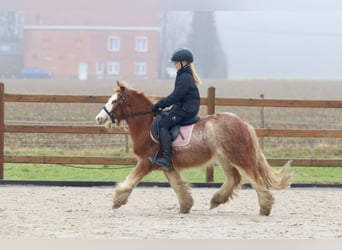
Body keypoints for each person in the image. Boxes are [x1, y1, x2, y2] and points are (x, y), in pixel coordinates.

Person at [149, 48, 201, 171]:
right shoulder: (183, 75)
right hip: (183, 107)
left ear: (184, 63)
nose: (175, 65)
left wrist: (159, 104)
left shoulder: (184, 77)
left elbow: (175, 96)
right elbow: (178, 97)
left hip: (187, 109)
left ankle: (166, 159)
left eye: (176, 62)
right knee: (165, 116)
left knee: (164, 125)